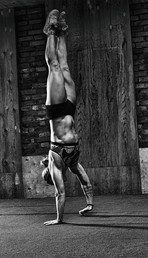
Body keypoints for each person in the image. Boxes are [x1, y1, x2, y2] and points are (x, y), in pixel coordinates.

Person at [42, 9, 93, 226]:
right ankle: (55, 30)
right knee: (56, 66)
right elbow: (59, 192)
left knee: (60, 66)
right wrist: (58, 219)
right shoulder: (56, 161)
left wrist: (90, 202)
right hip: (59, 111)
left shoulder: (69, 161)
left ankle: (57, 30)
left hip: (68, 112)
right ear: (49, 173)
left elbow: (83, 179)